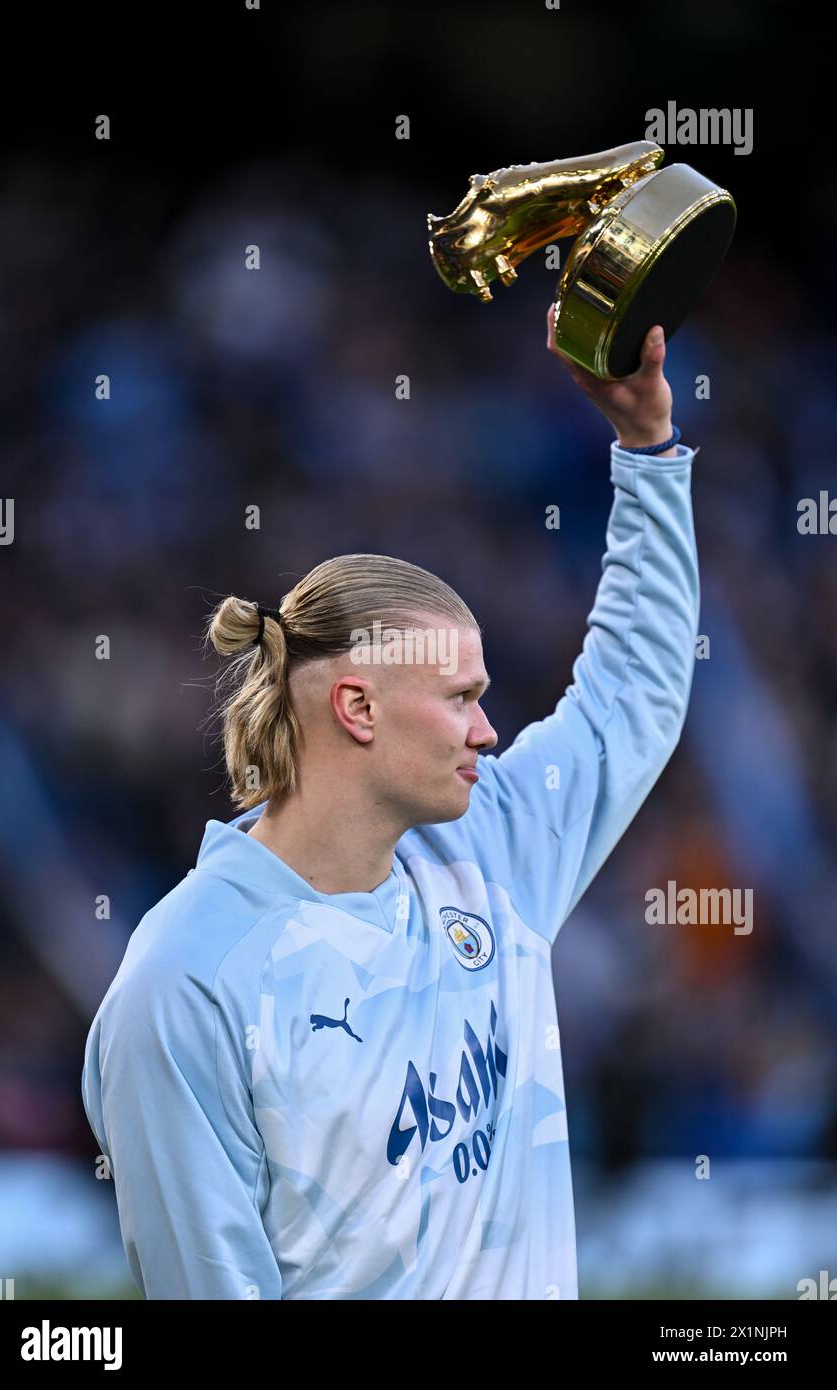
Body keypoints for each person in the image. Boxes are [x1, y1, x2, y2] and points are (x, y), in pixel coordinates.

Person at [81, 309, 699, 1299]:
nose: (488, 731)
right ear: (357, 707)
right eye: (461, 698)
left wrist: (645, 447)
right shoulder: (184, 983)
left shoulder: (489, 851)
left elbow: (633, 692)